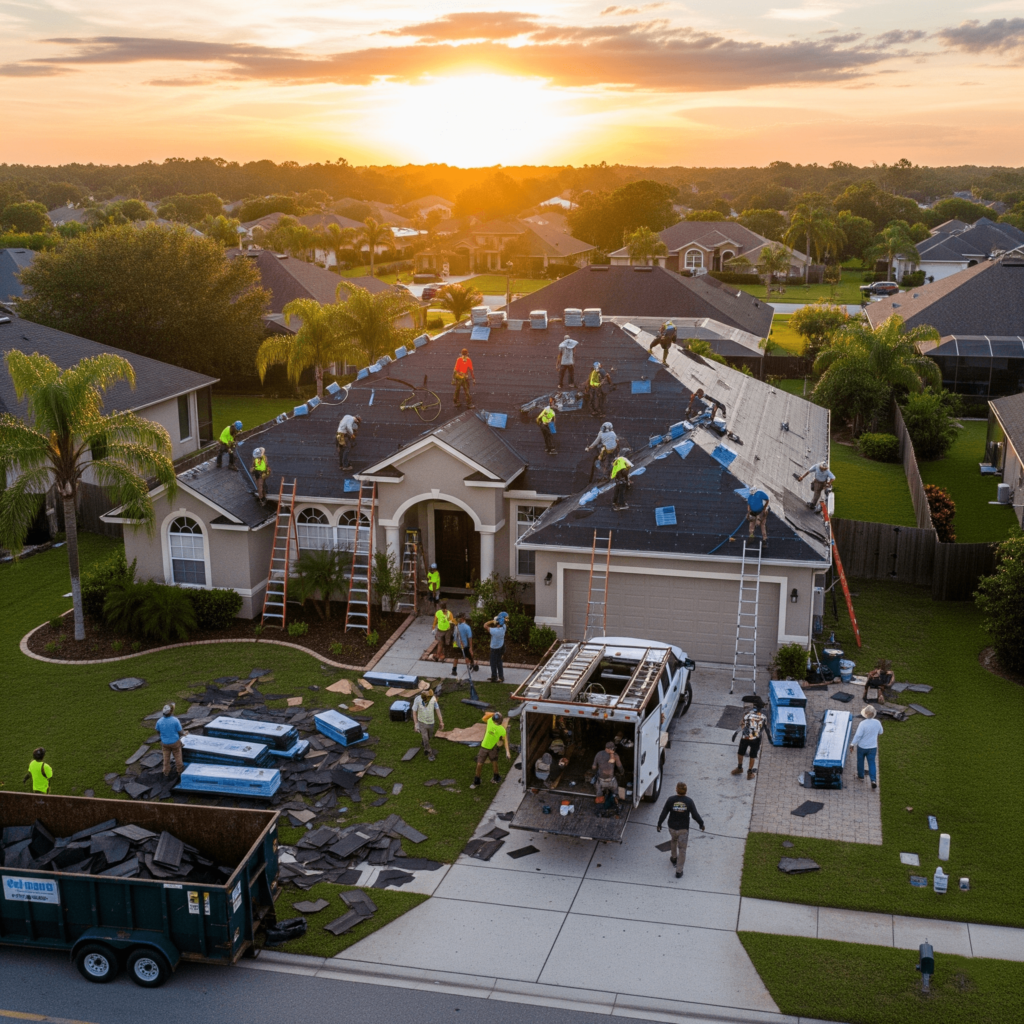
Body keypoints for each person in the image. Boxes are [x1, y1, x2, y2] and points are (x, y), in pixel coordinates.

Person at [656, 782, 706, 878]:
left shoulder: (671, 800)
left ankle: (674, 857)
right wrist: (701, 824)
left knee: (673, 840)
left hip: (672, 828)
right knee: (682, 849)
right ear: (686, 791)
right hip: (683, 829)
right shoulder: (689, 801)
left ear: (676, 790)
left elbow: (664, 813)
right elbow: (695, 815)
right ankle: (679, 871)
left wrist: (659, 823)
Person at [470, 711, 511, 789]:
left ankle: (496, 777)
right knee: (479, 764)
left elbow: (505, 740)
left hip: (493, 748)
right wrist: (495, 713)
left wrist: (508, 752)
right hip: (484, 748)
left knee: (494, 762)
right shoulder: (490, 722)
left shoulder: (501, 729)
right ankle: (477, 780)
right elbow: (484, 718)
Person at [731, 695, 767, 780]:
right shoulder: (763, 717)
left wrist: (735, 733)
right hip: (756, 739)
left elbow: (742, 725)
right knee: (752, 755)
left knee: (740, 752)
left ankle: (739, 768)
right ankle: (749, 773)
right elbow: (763, 729)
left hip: (745, 737)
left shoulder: (747, 714)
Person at [850, 705, 884, 789]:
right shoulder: (877, 722)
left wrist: (852, 744)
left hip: (862, 747)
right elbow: (881, 732)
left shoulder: (862, 724)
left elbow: (858, 735)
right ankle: (873, 780)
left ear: (865, 714)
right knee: (872, 763)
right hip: (872, 747)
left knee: (860, 761)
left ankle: (861, 776)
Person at [412, 687, 444, 762]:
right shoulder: (417, 700)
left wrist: (441, 721)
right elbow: (414, 712)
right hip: (422, 722)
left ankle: (424, 741)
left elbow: (437, 710)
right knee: (426, 738)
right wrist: (416, 724)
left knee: (429, 736)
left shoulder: (433, 699)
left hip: (431, 722)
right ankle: (430, 753)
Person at [156, 703, 185, 778]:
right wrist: (184, 733)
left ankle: (166, 771)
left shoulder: (159, 721)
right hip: (175, 742)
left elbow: (158, 731)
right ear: (170, 712)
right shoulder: (175, 720)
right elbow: (180, 732)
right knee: (178, 757)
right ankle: (180, 771)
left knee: (166, 758)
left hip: (165, 743)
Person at [452, 612, 477, 678]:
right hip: (464, 645)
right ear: (463, 619)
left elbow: (454, 636)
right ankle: (472, 665)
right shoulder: (467, 627)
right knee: (468, 656)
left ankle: (454, 669)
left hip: (456, 644)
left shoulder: (456, 626)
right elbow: (470, 638)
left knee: (456, 657)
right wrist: (471, 647)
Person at [484, 614, 507, 683]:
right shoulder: (504, 627)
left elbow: (485, 625)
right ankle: (501, 677)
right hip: (500, 647)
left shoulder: (495, 631)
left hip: (494, 649)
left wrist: (492, 621)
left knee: (493, 663)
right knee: (499, 662)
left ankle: (494, 677)